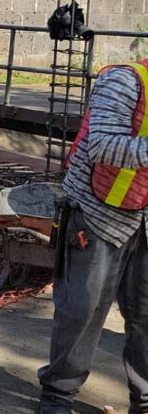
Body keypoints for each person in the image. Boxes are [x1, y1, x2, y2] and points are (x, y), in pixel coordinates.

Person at [37, 60, 148, 414]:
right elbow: (102, 147)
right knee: (82, 309)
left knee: (146, 315)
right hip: (97, 214)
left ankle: (144, 397)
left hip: (145, 216)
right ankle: (59, 393)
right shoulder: (124, 81)